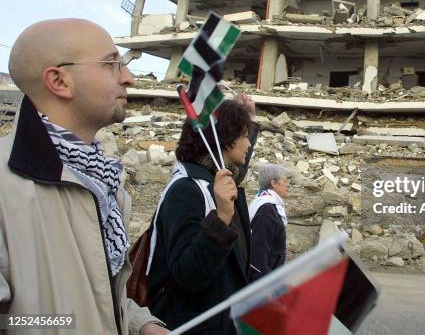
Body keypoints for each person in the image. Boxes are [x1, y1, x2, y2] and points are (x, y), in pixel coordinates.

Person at [0, 19, 166, 334]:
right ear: (59, 81)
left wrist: (139, 325)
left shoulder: (102, 180)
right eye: (111, 64)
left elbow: (94, 291)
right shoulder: (6, 188)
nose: (128, 78)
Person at [146, 100, 253, 334]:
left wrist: (248, 118)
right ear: (225, 138)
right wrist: (222, 220)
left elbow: (237, 171)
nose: (248, 143)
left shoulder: (215, 181)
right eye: (245, 134)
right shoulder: (187, 190)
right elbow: (187, 276)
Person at [248, 164, 289, 281]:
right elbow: (258, 254)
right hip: (264, 282)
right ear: (273, 183)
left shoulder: (267, 204)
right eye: (284, 181)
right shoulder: (266, 209)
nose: (287, 185)